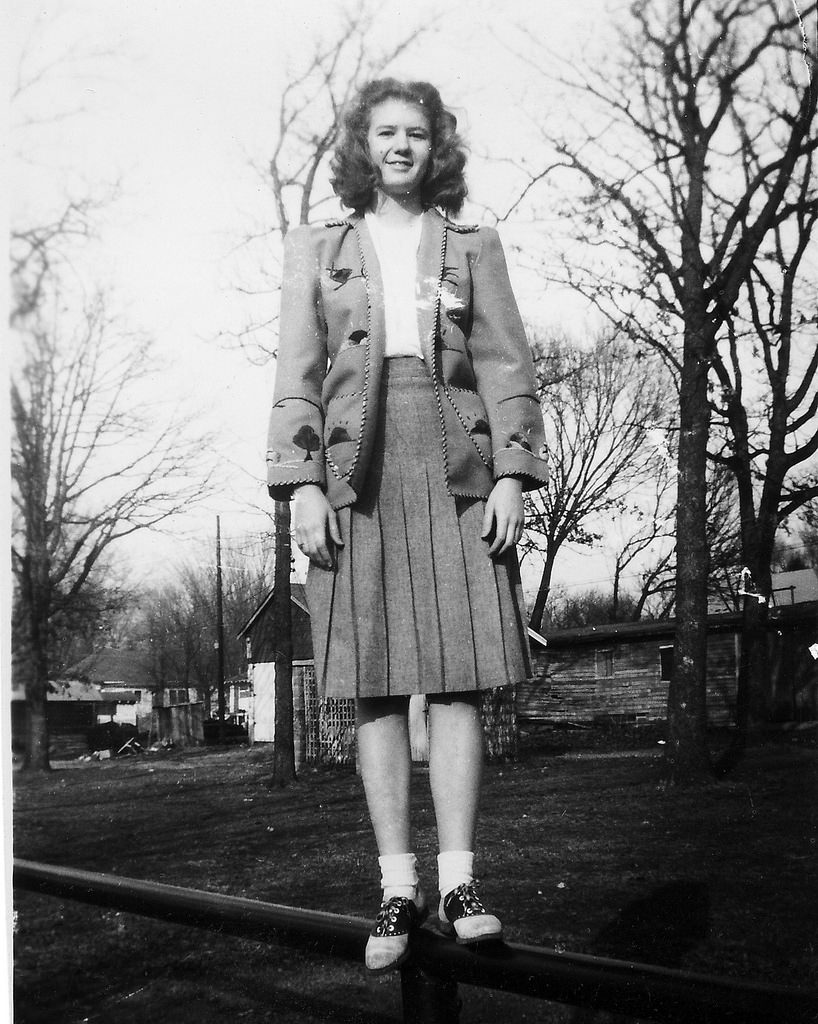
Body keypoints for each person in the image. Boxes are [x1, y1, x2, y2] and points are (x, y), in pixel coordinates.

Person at [266, 78, 548, 973]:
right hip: (357, 465)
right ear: (363, 145)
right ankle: (397, 884)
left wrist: (512, 476)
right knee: (377, 685)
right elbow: (298, 373)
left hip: (454, 460)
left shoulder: (472, 244)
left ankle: (461, 880)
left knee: (459, 680)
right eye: (385, 133)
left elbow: (506, 365)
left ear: (438, 148)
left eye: (417, 134)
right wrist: (302, 486)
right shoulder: (316, 246)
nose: (400, 146)